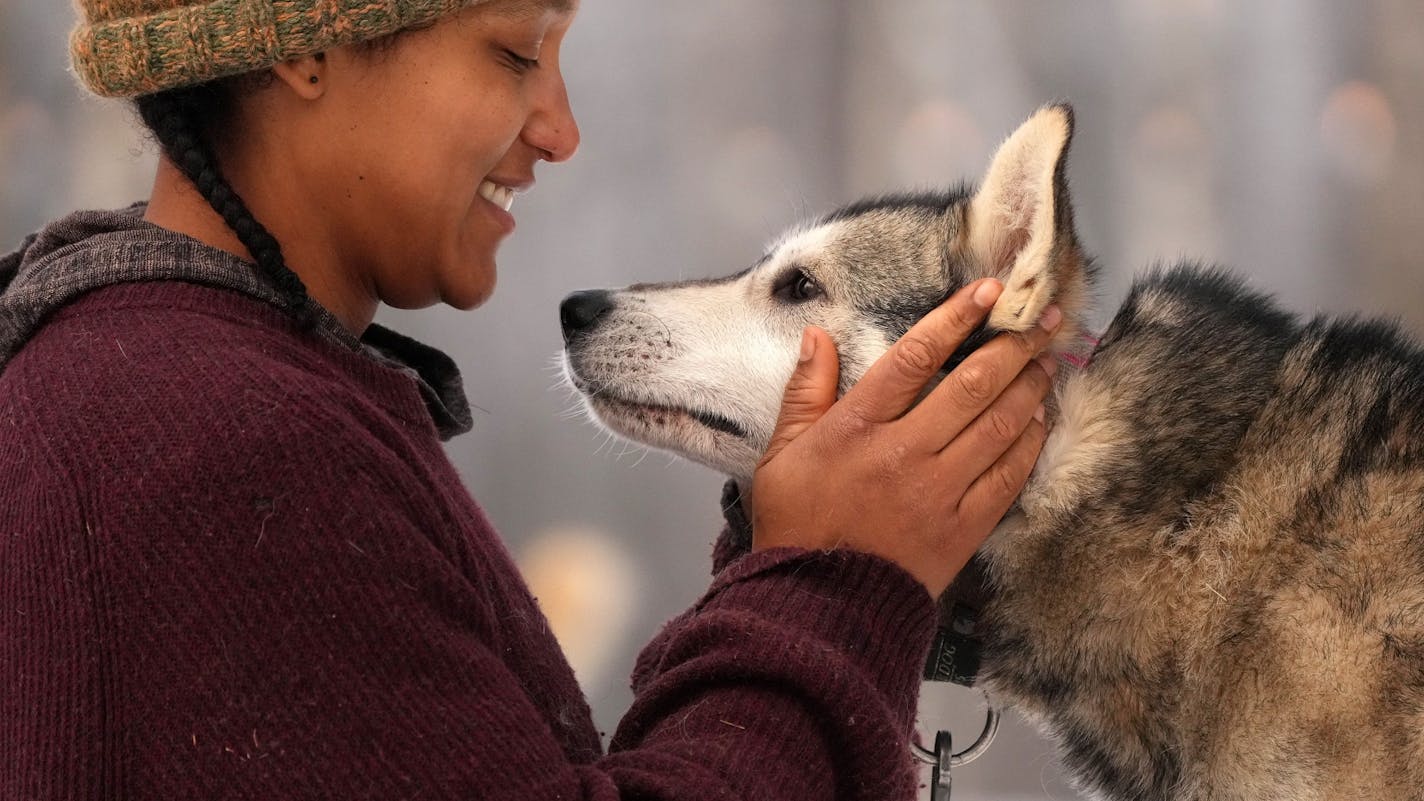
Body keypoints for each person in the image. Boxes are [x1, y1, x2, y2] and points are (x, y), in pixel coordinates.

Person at [0, 0, 1058, 798]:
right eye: (513, 53)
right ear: (302, 44)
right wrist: (830, 586)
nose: (559, 129)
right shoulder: (211, 433)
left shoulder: (158, 380)